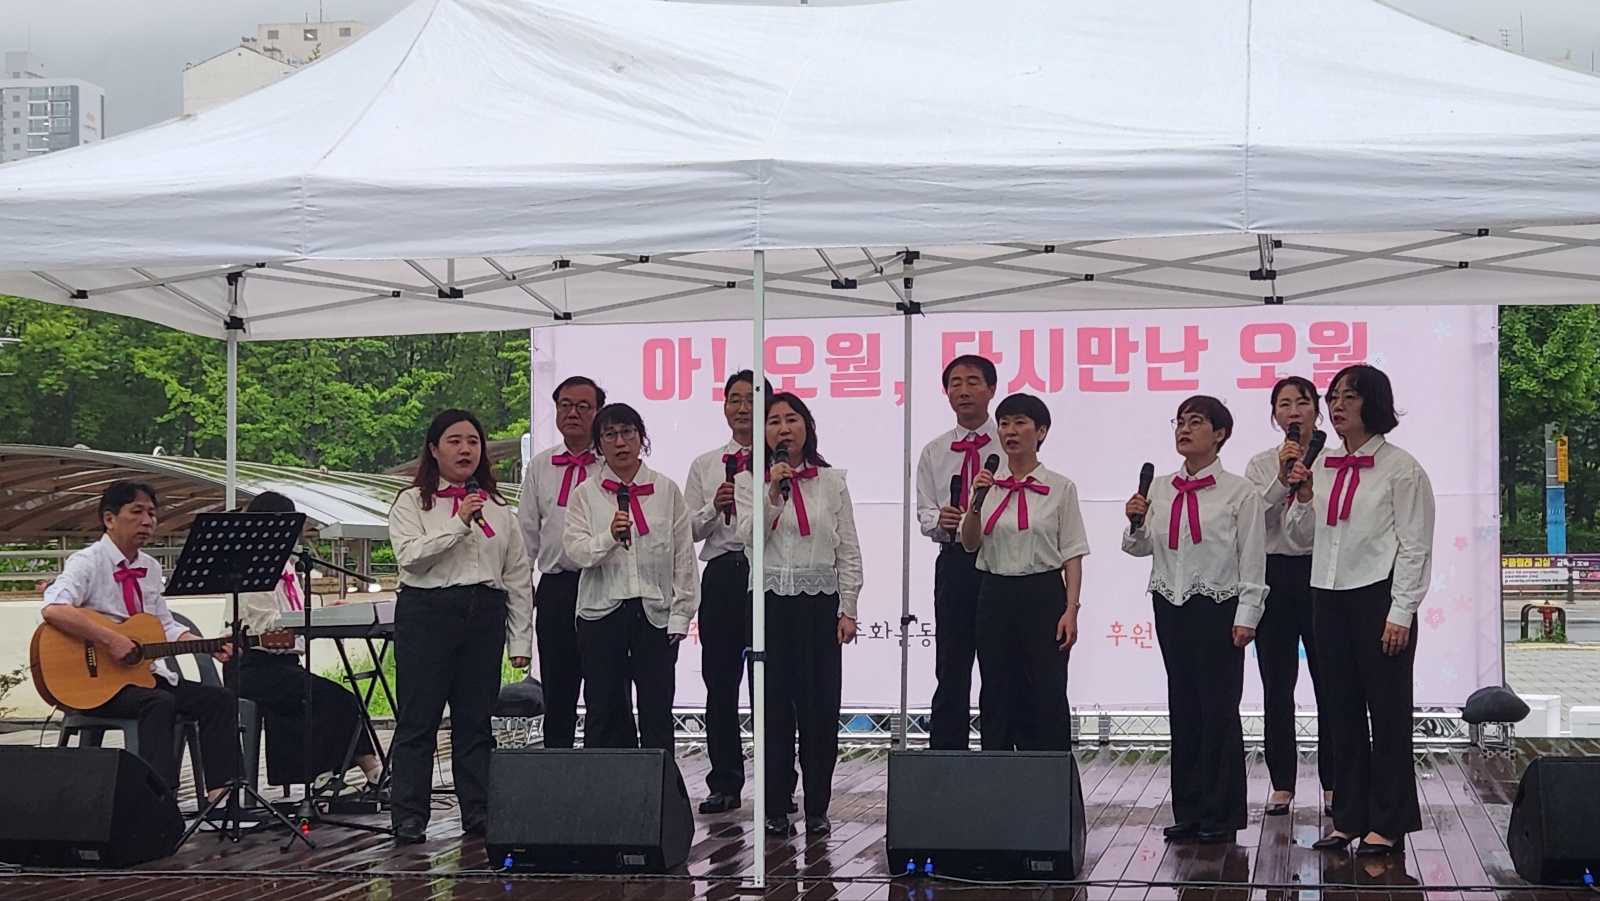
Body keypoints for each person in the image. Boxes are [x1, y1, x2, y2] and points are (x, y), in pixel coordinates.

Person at [1287, 365, 1434, 857]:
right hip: (1327, 594)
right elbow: (1301, 537)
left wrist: (1402, 611)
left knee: (1388, 713)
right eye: (1333, 397)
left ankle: (1389, 821)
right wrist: (1304, 495)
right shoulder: (1322, 464)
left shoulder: (1402, 468)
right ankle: (1348, 817)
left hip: (1379, 596)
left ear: (1374, 403)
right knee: (1340, 710)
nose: (1337, 406)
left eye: (1349, 396)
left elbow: (1415, 546)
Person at [1123, 396, 1266, 845]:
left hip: (1218, 605)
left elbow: (1252, 558)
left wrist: (1248, 614)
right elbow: (1139, 548)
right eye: (1180, 422)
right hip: (1171, 601)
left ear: (1219, 434)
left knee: (1217, 709)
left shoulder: (1240, 491)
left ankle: (1221, 813)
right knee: (1183, 706)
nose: (1184, 430)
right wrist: (1135, 522)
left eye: (1196, 422)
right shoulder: (1161, 487)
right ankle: (1188, 809)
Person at [41, 480, 239, 802]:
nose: (147, 521)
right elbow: (54, 609)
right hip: (97, 685)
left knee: (218, 699)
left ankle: (222, 798)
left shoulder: (150, 567)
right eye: (137, 512)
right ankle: (157, 802)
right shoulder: (88, 561)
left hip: (142, 677)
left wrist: (205, 644)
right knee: (158, 703)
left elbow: (163, 626)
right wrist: (110, 640)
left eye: (152, 513)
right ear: (109, 519)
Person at [388, 409, 534, 844]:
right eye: (454, 441)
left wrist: (520, 639)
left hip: (484, 613)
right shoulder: (411, 502)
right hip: (428, 613)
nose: (465, 449)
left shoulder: (499, 508)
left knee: (475, 720)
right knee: (419, 719)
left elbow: (517, 576)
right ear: (434, 449)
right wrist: (458, 522)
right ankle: (409, 814)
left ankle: (480, 809)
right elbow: (410, 558)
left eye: (473, 441)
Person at [735, 392, 861, 837]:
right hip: (768, 602)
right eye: (774, 421)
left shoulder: (832, 481)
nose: (783, 428)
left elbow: (848, 548)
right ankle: (774, 805)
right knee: (771, 708)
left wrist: (848, 607)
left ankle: (818, 807)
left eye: (792, 419)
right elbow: (749, 538)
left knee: (819, 707)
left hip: (818, 602)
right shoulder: (748, 481)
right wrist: (772, 492)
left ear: (807, 427)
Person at [564, 403, 698, 752]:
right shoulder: (585, 494)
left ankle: (659, 786)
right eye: (609, 435)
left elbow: (683, 557)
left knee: (656, 711)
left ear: (642, 438)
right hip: (601, 614)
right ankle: (605, 785)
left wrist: (680, 615)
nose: (620, 442)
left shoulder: (666, 490)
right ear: (599, 444)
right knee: (604, 709)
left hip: (654, 616)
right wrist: (609, 536)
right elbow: (576, 551)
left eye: (627, 432)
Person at [228, 491, 382, 793]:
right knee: (329, 697)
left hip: (285, 665)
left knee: (330, 695)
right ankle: (336, 774)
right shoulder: (249, 568)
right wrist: (313, 619)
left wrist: (328, 614)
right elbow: (265, 625)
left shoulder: (287, 568)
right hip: (253, 667)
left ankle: (361, 772)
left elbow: (296, 615)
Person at [959, 392, 1086, 753]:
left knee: (1046, 687)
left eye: (1020, 423)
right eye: (1004, 423)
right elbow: (970, 543)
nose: (1010, 431)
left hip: (1043, 593)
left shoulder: (1060, 487)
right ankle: (998, 772)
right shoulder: (988, 485)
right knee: (996, 687)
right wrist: (976, 502)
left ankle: (1048, 774)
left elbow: (1073, 553)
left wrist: (1071, 608)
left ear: (1041, 432)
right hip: (995, 592)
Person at [1243, 377, 1335, 817]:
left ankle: (1335, 781)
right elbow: (1254, 522)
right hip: (1274, 575)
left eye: (1302, 402)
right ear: (1274, 414)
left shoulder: (1337, 461)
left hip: (1322, 575)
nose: (1294, 411)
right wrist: (1281, 481)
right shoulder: (1261, 464)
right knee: (1276, 684)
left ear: (1317, 409)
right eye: (1284, 404)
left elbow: (1329, 524)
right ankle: (1282, 783)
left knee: (1330, 682)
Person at [915, 354, 1001, 751]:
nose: (963, 391)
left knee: (999, 664)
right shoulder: (934, 451)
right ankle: (947, 756)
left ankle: (1000, 754)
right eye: (955, 383)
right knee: (952, 663)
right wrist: (941, 519)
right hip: (954, 562)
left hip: (999, 561)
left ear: (991, 389)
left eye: (972, 382)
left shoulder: (1009, 443)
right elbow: (924, 513)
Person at [683, 371, 759, 812]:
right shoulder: (706, 464)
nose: (743, 407)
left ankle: (778, 783)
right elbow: (690, 529)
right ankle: (725, 782)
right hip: (723, 573)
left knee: (771, 684)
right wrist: (715, 505)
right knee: (721, 681)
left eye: (751, 398)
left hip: (766, 573)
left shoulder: (781, 462)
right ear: (725, 406)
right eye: (735, 399)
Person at [518, 375, 605, 750]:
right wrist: (522, 591)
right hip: (556, 585)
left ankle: (604, 766)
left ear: (598, 412)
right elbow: (526, 535)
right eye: (565, 405)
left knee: (605, 685)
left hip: (603, 583)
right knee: (557, 687)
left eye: (584, 406)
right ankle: (557, 765)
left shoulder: (611, 462)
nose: (573, 413)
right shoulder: (541, 466)